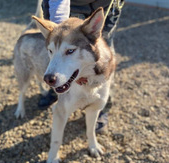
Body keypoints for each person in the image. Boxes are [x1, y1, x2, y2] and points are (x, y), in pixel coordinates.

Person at [39, 0, 125, 134]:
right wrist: (60, 27)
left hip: (106, 3)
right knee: (58, 45)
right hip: (67, 4)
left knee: (105, 49)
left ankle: (101, 107)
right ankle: (56, 89)